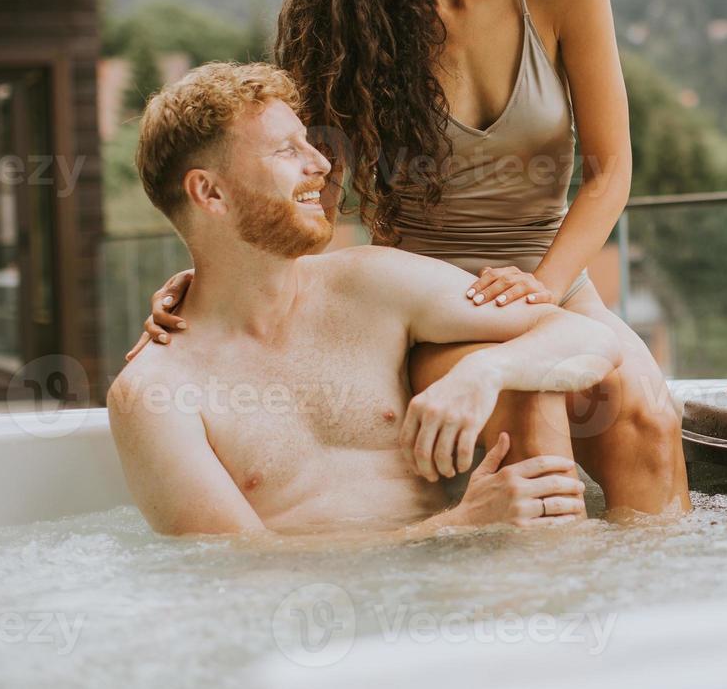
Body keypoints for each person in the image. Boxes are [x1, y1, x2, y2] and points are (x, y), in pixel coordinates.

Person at [128, 0, 689, 515]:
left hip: (550, 281)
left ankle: (661, 617)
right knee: (529, 416)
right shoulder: (338, 28)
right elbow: (301, 189)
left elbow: (610, 172)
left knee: (646, 415)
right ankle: (550, 614)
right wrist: (205, 281)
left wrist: (545, 287)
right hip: (418, 300)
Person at [108, 62, 624, 537]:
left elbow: (590, 337)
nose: (321, 164)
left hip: (454, 596)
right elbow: (234, 569)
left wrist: (485, 372)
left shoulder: (371, 285)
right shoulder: (155, 393)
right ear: (210, 193)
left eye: (309, 143)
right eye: (287, 151)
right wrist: (459, 524)